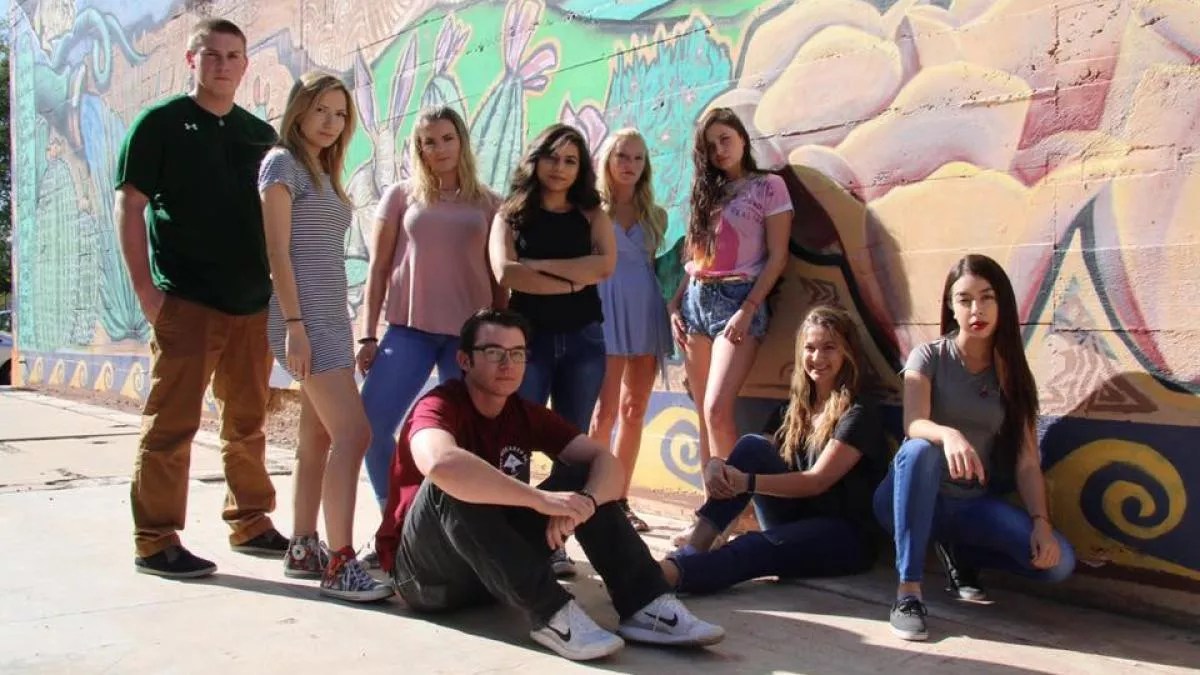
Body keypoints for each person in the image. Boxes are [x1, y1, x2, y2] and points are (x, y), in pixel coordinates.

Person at [375, 309, 724, 661]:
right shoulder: (439, 405)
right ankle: (553, 614)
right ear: (465, 360)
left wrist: (584, 503)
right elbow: (440, 463)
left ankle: (646, 605)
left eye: (517, 354)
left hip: (494, 574)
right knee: (449, 484)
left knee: (583, 474)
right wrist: (540, 500)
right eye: (494, 352)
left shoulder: (523, 413)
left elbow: (607, 462)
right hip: (429, 580)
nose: (507, 364)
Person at [116, 18, 287, 578]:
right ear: (192, 61)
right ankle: (155, 540)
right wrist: (146, 292)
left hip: (252, 305)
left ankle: (251, 521)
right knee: (172, 424)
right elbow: (131, 205)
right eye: (211, 54)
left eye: (233, 55)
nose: (222, 65)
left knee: (248, 422)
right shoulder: (160, 123)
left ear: (245, 64)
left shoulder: (260, 134)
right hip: (186, 301)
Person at [875, 254, 1075, 641]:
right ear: (951, 307)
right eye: (964, 300)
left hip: (967, 505)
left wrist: (1041, 522)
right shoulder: (929, 357)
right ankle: (908, 593)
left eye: (986, 298)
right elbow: (913, 424)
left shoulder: (1013, 374)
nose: (976, 310)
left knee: (1059, 563)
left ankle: (961, 552)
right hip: (904, 499)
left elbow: (1027, 462)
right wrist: (948, 434)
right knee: (919, 449)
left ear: (1002, 304)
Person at [259, 72, 392, 602]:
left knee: (317, 438)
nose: (331, 122)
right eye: (321, 110)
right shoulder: (281, 164)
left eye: (340, 114)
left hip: (329, 316)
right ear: (299, 110)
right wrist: (295, 326)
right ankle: (339, 563)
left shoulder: (322, 170)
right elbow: (277, 252)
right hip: (305, 319)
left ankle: (303, 546)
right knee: (354, 435)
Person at [660, 306, 886, 594]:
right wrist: (718, 465)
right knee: (751, 445)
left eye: (829, 348)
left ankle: (670, 575)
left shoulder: (858, 412)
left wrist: (747, 482)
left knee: (752, 546)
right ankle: (693, 550)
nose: (817, 357)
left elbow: (816, 482)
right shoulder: (793, 409)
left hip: (843, 537)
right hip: (794, 518)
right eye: (810, 348)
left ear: (847, 353)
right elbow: (754, 455)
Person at [358, 107, 504, 513]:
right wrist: (368, 335)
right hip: (410, 332)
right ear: (418, 149)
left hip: (470, 339)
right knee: (368, 425)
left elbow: (499, 279)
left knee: (467, 438)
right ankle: (397, 514)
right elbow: (378, 268)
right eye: (428, 142)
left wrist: (503, 339)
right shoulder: (401, 196)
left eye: (447, 139)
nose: (438, 149)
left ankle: (454, 526)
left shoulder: (491, 203)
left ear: (462, 141)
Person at [489, 124, 616, 575]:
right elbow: (507, 273)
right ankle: (515, 535)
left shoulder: (591, 213)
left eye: (570, 160)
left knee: (571, 445)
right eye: (552, 157)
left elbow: (605, 265)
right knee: (518, 440)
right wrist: (573, 279)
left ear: (581, 168)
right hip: (529, 343)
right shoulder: (511, 215)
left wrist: (539, 267)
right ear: (535, 159)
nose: (559, 168)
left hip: (584, 341)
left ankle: (553, 536)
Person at [667, 107, 793, 544]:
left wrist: (749, 308)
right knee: (703, 415)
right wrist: (675, 303)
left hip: (739, 300)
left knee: (718, 409)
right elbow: (695, 258)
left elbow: (778, 257)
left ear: (742, 138)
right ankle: (711, 515)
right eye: (710, 145)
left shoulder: (769, 186)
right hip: (696, 302)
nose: (719, 150)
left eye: (725, 139)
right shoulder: (707, 193)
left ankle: (728, 516)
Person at [587, 129, 672, 533]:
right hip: (605, 312)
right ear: (607, 159)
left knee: (634, 409)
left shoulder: (656, 215)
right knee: (603, 413)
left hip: (645, 312)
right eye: (622, 156)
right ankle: (594, 497)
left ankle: (620, 499)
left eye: (638, 158)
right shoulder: (590, 211)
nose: (630, 165)